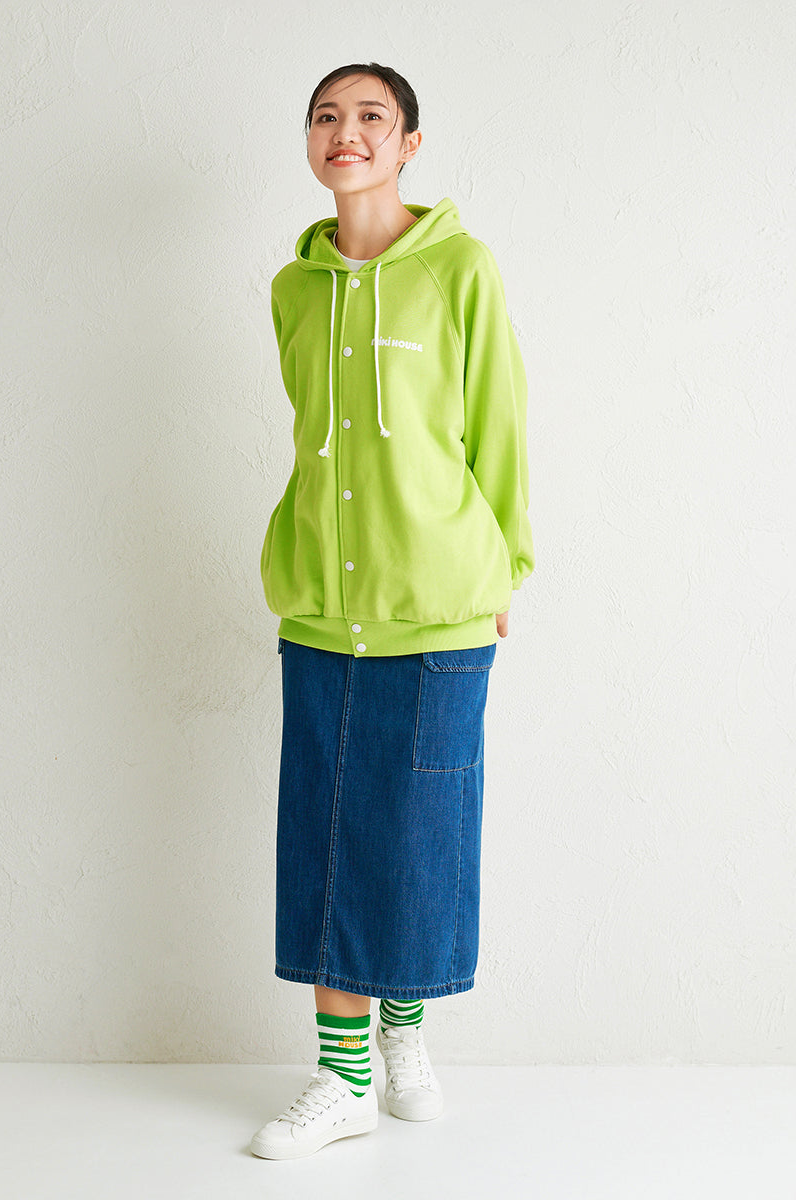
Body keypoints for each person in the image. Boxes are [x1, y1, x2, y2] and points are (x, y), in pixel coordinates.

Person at [250, 62, 534, 1160]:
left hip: (440, 606)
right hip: (323, 608)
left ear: (409, 143)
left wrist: (505, 568)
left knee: (417, 834)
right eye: (327, 116)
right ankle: (343, 1076)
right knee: (326, 837)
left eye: (372, 116)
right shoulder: (294, 289)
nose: (347, 132)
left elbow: (497, 425)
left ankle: (402, 1034)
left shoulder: (461, 268)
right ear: (309, 141)